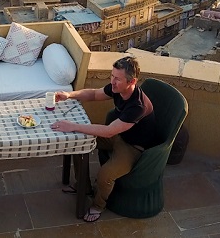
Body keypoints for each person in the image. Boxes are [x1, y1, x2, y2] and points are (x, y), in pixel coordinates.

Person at [50, 56, 157, 223]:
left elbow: (108, 131)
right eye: (112, 76)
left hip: (133, 146)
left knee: (105, 175)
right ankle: (83, 186)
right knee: (78, 142)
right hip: (118, 135)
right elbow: (93, 94)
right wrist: (69, 95)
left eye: (117, 79)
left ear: (132, 81)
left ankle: (98, 206)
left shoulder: (138, 106)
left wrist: (73, 125)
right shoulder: (117, 89)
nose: (112, 82)